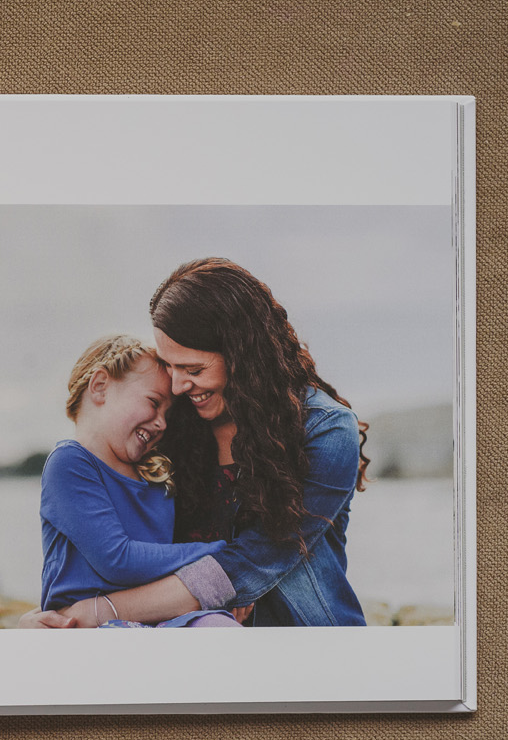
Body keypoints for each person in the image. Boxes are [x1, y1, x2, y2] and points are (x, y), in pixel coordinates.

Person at [24, 258, 369, 628]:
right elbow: (115, 543)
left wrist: (97, 612)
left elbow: (244, 569)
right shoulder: (178, 422)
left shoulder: (325, 431)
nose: (176, 387)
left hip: (302, 644)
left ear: (242, 355)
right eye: (171, 367)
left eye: (193, 370)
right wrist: (44, 622)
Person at [36, 334, 243, 628]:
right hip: (90, 626)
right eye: (153, 402)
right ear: (100, 387)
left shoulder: (156, 474)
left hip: (160, 613)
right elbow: (118, 560)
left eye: (167, 413)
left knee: (221, 629)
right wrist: (222, 554)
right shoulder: (69, 463)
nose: (162, 422)